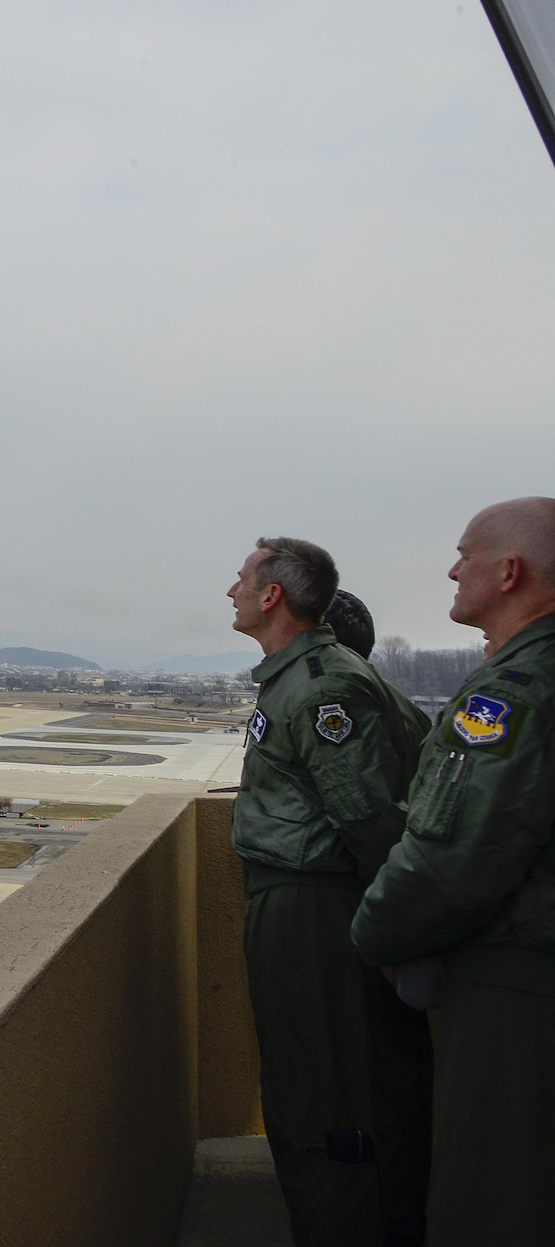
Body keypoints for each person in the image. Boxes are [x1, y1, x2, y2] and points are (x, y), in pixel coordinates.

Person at [354, 498, 555, 1246]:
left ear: (510, 572)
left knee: (493, 1198)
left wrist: (374, 933)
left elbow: (455, 854)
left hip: (516, 985)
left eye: (465, 553)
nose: (451, 566)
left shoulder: (513, 692)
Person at [226, 536, 434, 1247]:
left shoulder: (323, 687)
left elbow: (370, 820)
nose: (231, 590)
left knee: (326, 1095)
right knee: (307, 1086)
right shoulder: (297, 679)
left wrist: (395, 932)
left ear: (273, 594)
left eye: (242, 578)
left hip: (317, 910)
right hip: (301, 904)